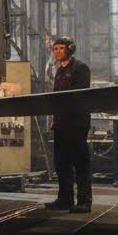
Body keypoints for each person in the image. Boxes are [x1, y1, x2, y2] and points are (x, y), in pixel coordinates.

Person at [43, 36, 92, 214]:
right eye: (55, 49)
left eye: (61, 48)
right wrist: (55, 119)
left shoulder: (80, 68)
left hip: (76, 123)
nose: (57, 52)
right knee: (61, 163)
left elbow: (80, 97)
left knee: (80, 163)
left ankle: (84, 201)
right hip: (61, 123)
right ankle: (65, 199)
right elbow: (57, 98)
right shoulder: (59, 71)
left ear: (70, 49)